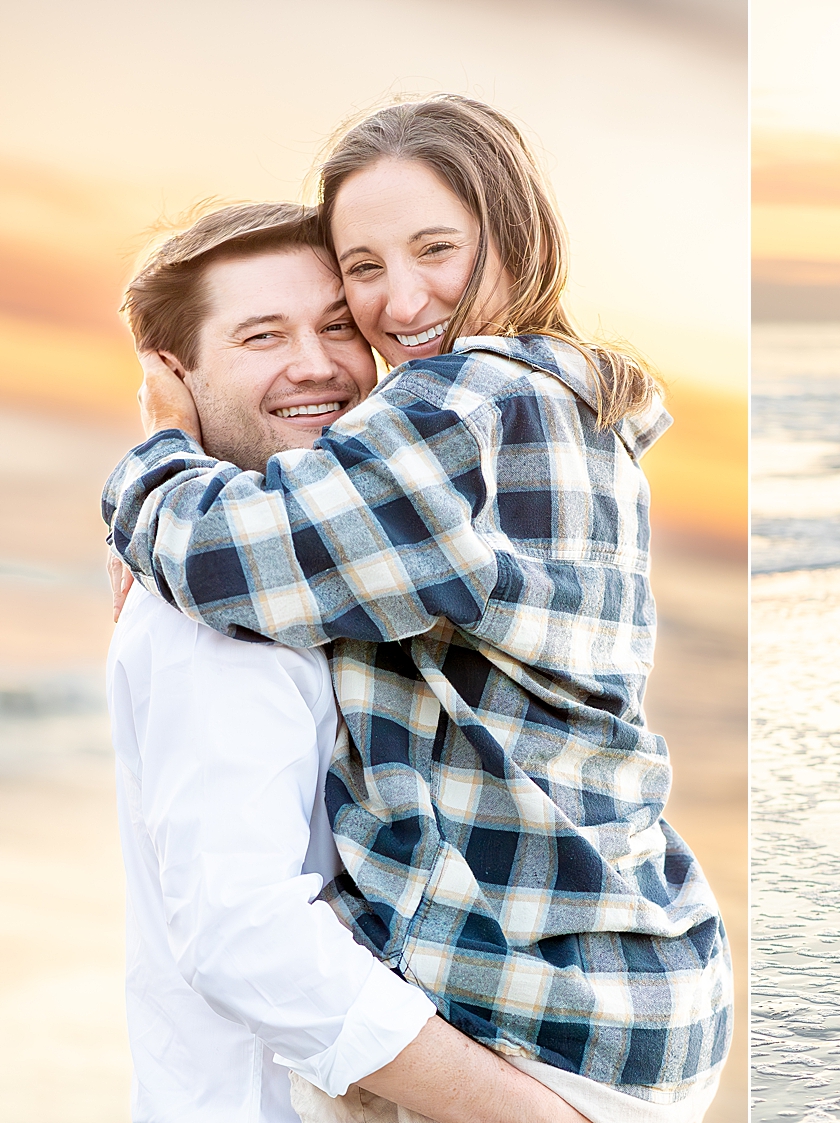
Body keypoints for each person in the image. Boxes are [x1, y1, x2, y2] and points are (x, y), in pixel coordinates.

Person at [105, 97, 732, 1121]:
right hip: (630, 987)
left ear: (515, 231)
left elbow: (220, 550)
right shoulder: (571, 410)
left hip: (543, 1018)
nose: (399, 302)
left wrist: (156, 459)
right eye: (363, 274)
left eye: (436, 248)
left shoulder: (461, 409)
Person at [107, 200, 587, 1121]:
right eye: (261, 336)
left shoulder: (324, 566)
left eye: (336, 325)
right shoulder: (218, 607)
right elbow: (247, 936)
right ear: (174, 375)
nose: (319, 364)